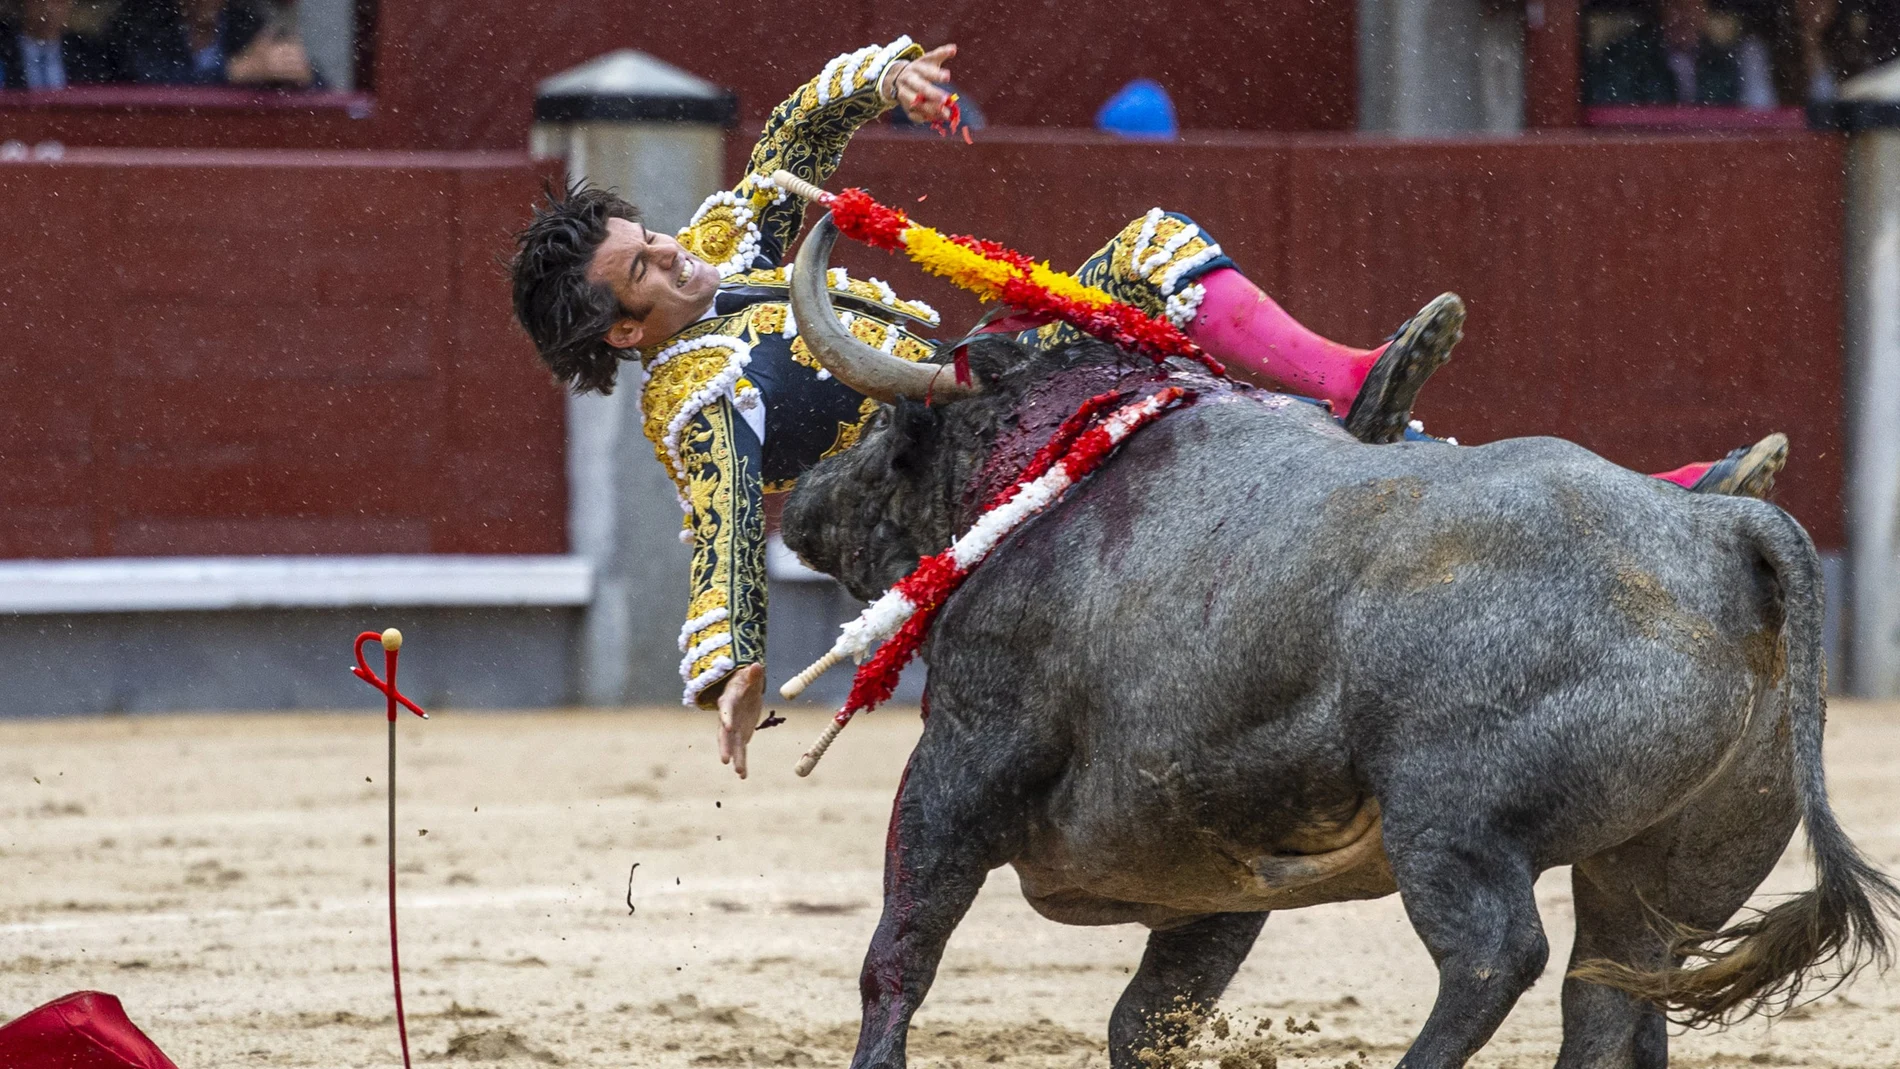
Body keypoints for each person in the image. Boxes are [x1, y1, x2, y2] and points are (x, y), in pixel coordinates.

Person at [510, 38, 1788, 778]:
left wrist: (879, 76)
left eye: (651, 236)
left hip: (974, 380)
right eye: (644, 273)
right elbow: (723, 528)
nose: (675, 255)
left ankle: (1369, 393)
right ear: (625, 331)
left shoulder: (728, 230)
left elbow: (794, 131)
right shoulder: (688, 402)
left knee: (1157, 249)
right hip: (930, 472)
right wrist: (728, 659)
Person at [102, 0, 315, 88]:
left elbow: (323, 94)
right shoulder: (146, 25)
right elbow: (150, 84)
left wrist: (301, 77)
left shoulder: (245, 25)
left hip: (236, 146)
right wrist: (233, 71)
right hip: (156, 147)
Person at [1, 0, 74, 89]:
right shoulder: (4, 53)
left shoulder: (88, 54)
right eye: (39, 1)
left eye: (57, 2)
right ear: (23, 4)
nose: (48, 9)